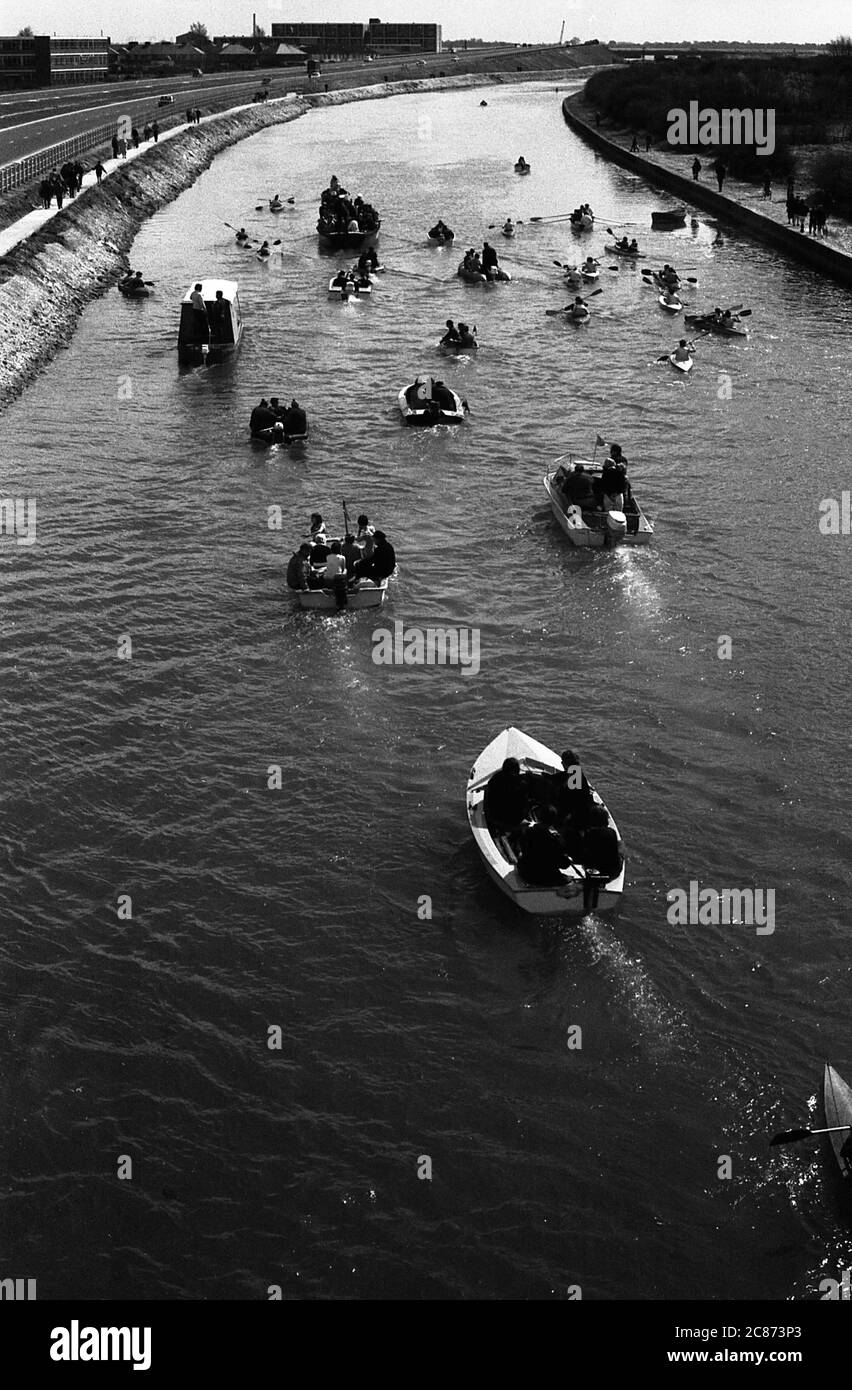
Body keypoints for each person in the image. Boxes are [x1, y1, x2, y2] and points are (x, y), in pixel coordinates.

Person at [517, 809, 570, 887]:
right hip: (543, 877)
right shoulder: (554, 840)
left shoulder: (527, 832)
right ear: (553, 821)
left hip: (526, 872)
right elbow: (563, 864)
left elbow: (522, 849)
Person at [483, 757, 529, 833]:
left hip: (493, 816)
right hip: (511, 821)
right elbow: (523, 805)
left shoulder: (495, 779)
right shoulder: (521, 785)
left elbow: (488, 795)